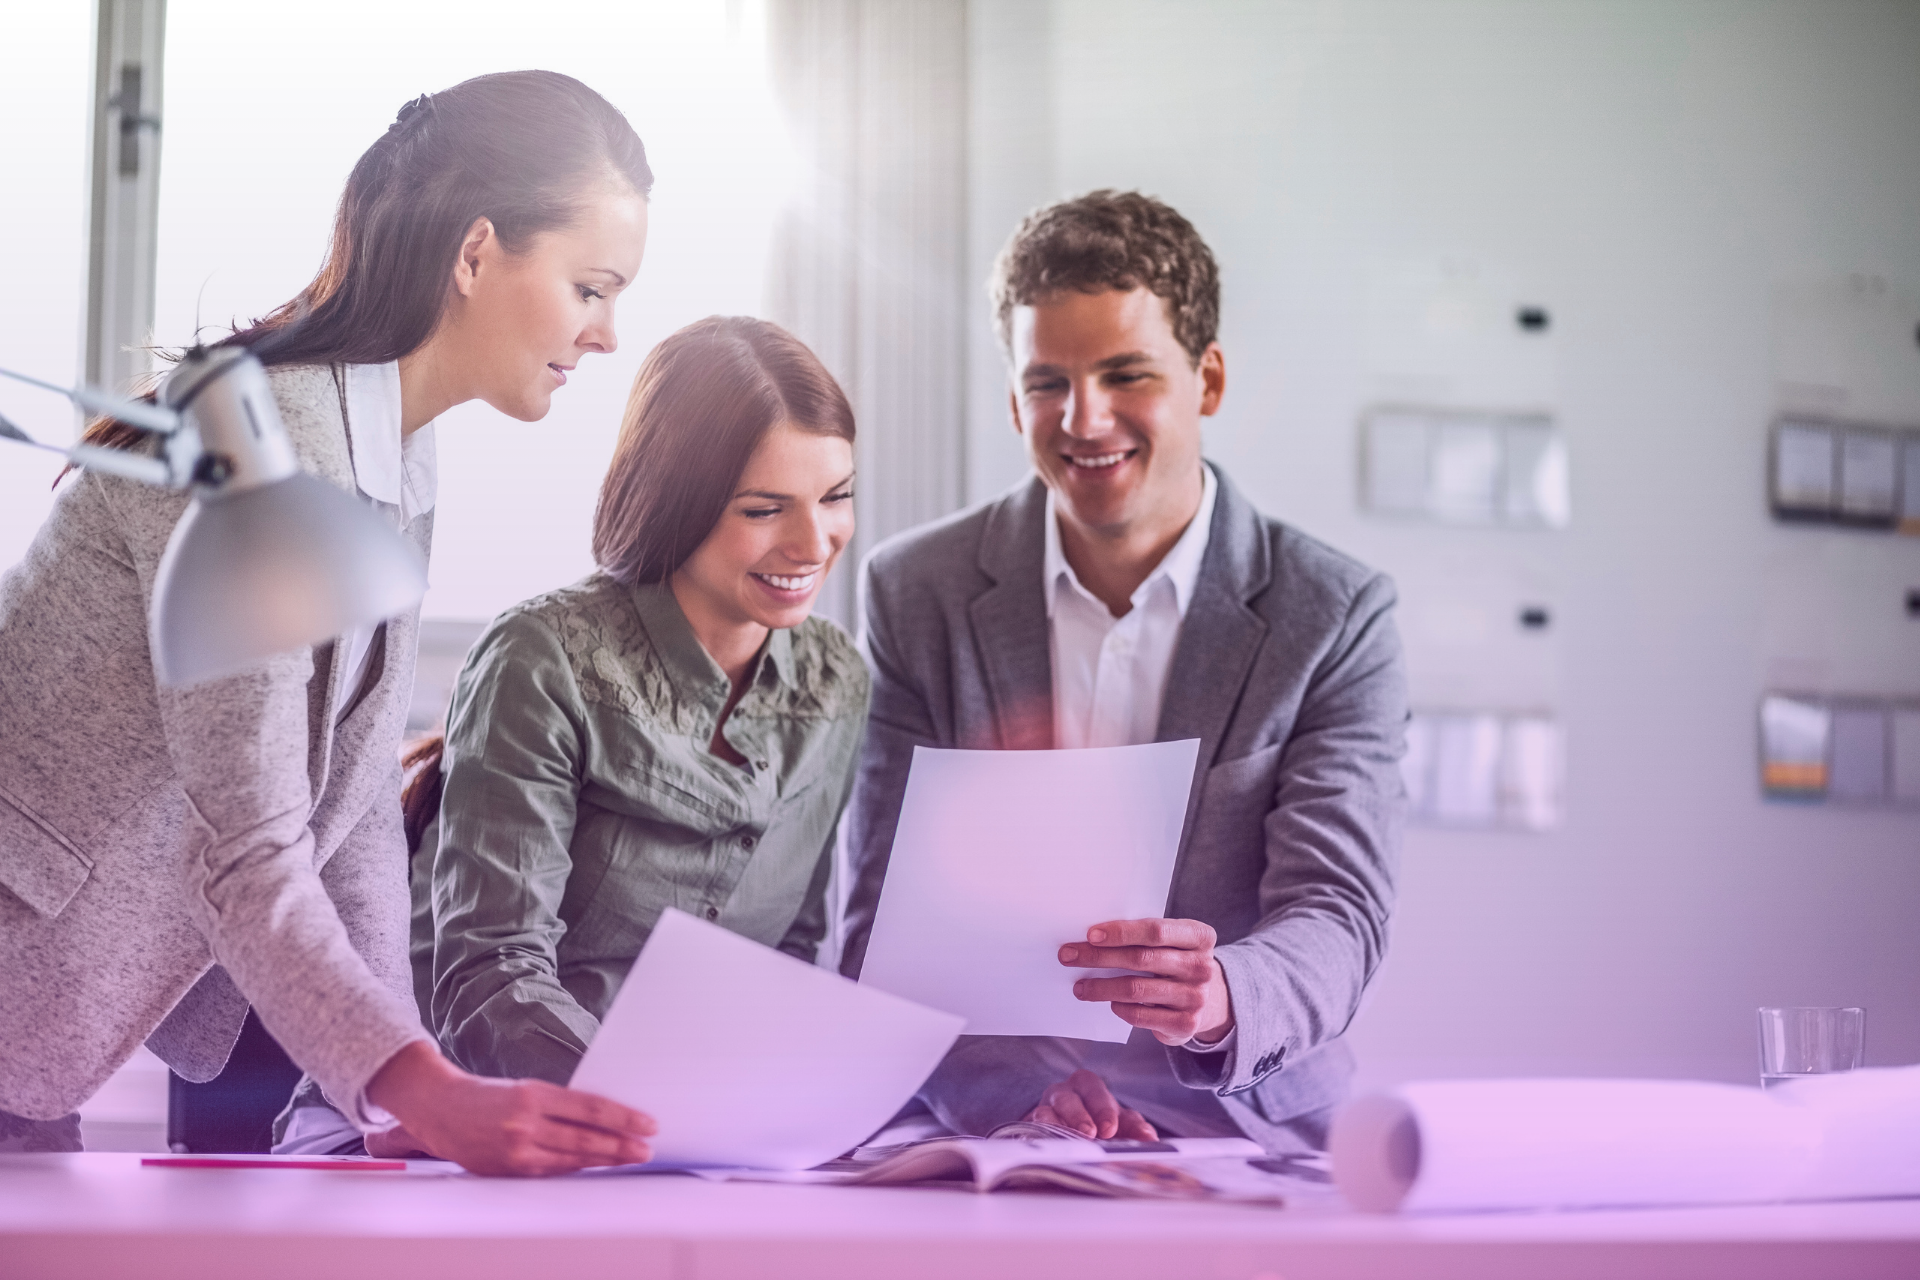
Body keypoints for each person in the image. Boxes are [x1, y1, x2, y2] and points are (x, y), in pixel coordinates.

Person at [0, 71, 658, 1175]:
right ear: (476, 251)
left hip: (40, 1041)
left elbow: (344, 807)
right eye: (591, 286)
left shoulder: (392, 448)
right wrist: (424, 1087)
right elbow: (249, 846)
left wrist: (389, 1090)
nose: (606, 334)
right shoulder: (260, 453)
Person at [840, 190, 1407, 1152]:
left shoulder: (1336, 613)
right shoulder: (915, 591)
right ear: (1015, 397)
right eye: (1048, 381)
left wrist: (1224, 996)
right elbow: (880, 925)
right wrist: (1013, 1096)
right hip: (993, 1118)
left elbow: (1337, 911)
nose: (1084, 418)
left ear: (1208, 380)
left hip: (1246, 1124)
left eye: (1125, 374)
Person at [422, 316, 868, 1087]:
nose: (813, 542)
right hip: (481, 1113)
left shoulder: (836, 683)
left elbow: (791, 960)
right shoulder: (544, 655)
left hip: (710, 1136)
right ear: (676, 502)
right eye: (764, 509)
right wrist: (650, 1105)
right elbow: (492, 980)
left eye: (835, 497)